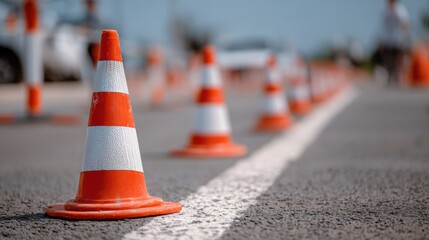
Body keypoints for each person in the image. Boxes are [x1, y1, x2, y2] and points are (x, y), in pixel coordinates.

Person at [377, 0, 410, 86]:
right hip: (388, 39)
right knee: (388, 58)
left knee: (398, 58)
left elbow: (405, 23)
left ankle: (399, 76)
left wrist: (405, 36)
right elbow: (382, 26)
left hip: (398, 38)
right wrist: (381, 40)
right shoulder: (385, 10)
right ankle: (389, 75)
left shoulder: (400, 10)